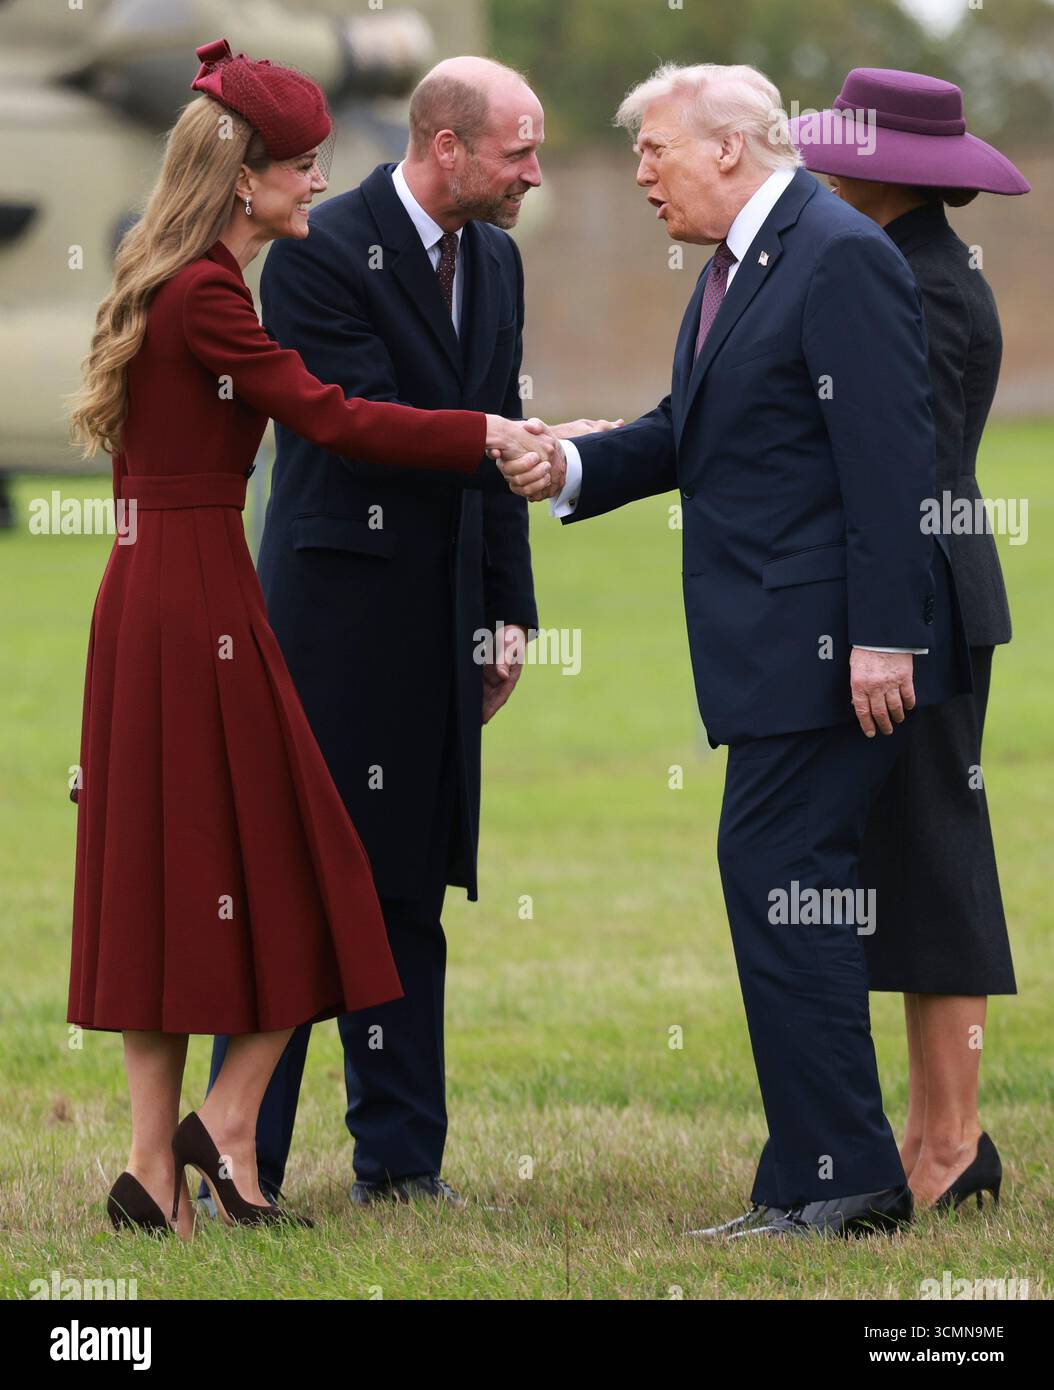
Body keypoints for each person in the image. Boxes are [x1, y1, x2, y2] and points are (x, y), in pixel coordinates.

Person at [65, 37, 550, 1238]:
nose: (318, 188)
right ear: (245, 179)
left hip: (159, 588)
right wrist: (488, 432)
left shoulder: (172, 276)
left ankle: (151, 1170)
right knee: (312, 871)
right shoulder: (212, 293)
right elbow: (326, 414)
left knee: (175, 878)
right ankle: (225, 1128)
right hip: (199, 594)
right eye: (302, 168)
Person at [502, 61, 970, 1239]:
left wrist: (879, 637)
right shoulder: (744, 259)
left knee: (788, 888)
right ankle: (814, 1173)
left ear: (728, 147)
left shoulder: (837, 252)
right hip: (770, 650)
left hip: (823, 651)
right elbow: (693, 431)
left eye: (653, 149)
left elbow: (889, 460)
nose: (640, 173)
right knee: (781, 890)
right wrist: (569, 465)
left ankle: (843, 1179)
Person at [203, 55, 618, 1209]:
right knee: (290, 884)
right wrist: (504, 431)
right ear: (448, 148)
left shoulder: (497, 257)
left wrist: (505, 610)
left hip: (441, 618)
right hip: (332, 617)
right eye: (519, 152)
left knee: (407, 889)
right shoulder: (319, 253)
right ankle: (244, 1154)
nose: (536, 172)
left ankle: (400, 1161)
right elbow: (357, 426)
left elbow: (491, 457)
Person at [789, 67, 1028, 1211]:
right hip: (918, 597)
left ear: (878, 171)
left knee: (936, 868)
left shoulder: (919, 282)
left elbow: (901, 469)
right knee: (910, 865)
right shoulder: (909, 262)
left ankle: (952, 1140)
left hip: (924, 602)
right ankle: (937, 1133)